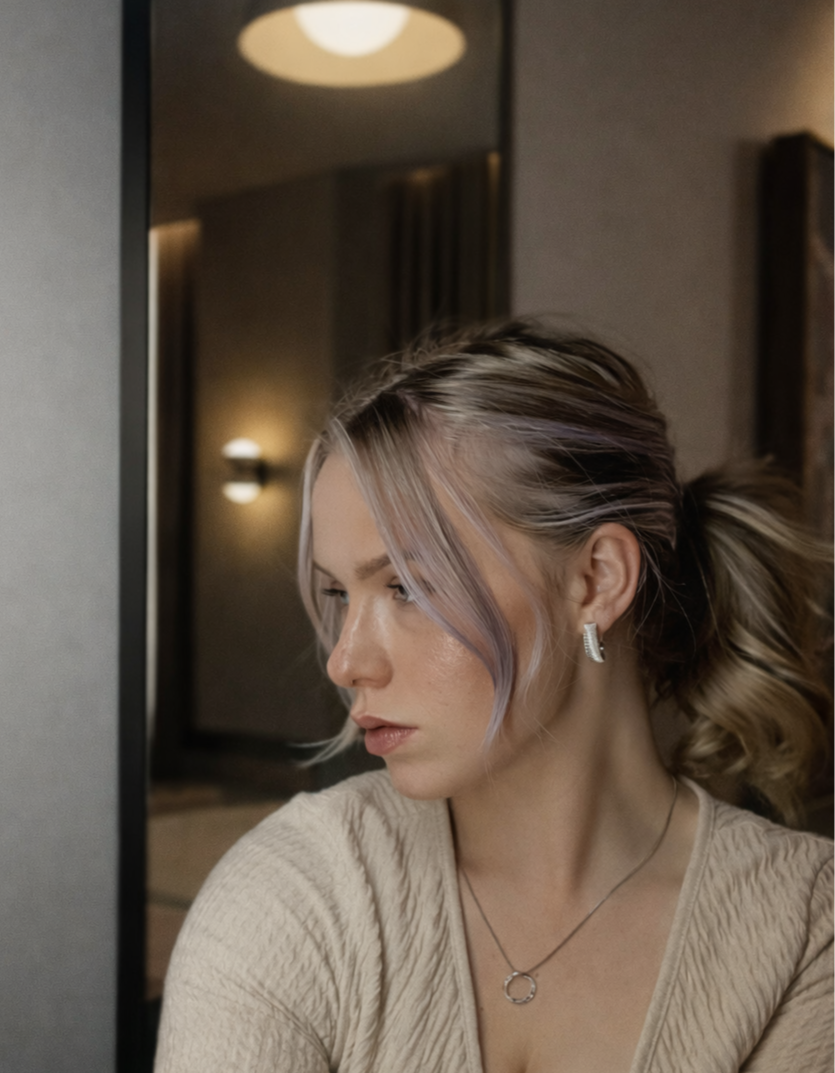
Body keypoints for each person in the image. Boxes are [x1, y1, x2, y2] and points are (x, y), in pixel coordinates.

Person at [155, 320, 835, 1073]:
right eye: (338, 595)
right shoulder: (300, 895)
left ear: (595, 580)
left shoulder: (804, 928)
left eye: (406, 587)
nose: (346, 660)